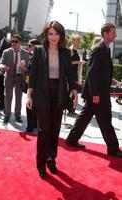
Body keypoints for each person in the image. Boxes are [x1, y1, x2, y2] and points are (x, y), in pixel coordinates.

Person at [27, 21, 78, 178]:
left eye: (56, 33)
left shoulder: (65, 53)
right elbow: (33, 74)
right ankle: (41, 162)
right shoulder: (39, 51)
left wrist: (74, 92)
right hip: (42, 93)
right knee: (44, 130)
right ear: (46, 35)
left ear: (61, 35)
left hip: (59, 93)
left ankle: (51, 160)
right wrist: (29, 94)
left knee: (55, 130)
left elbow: (70, 74)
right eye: (50, 33)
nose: (53, 37)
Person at [66, 23, 122, 158]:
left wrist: (112, 80)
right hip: (97, 94)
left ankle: (71, 140)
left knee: (85, 116)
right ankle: (113, 148)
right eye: (113, 32)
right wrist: (95, 94)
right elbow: (91, 73)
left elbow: (101, 71)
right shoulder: (98, 49)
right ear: (105, 33)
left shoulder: (106, 48)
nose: (115, 35)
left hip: (98, 92)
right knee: (106, 120)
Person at [0, 34, 29, 123]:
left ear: (19, 42)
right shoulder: (6, 52)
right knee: (8, 97)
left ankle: (17, 115)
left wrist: (24, 68)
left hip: (20, 77)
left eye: (15, 41)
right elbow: (1, 63)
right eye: (12, 41)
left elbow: (28, 68)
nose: (13, 43)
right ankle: (7, 114)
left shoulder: (25, 53)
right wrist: (2, 67)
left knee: (18, 97)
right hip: (9, 77)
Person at [67, 33, 85, 117]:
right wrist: (78, 62)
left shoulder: (75, 50)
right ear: (73, 40)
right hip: (70, 75)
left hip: (75, 74)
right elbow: (68, 63)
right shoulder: (70, 50)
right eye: (77, 40)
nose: (78, 42)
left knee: (73, 93)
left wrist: (80, 63)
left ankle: (71, 110)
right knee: (74, 93)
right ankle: (71, 110)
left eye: (79, 40)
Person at [25, 39, 39, 132]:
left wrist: (24, 68)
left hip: (34, 85)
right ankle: (34, 124)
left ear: (35, 46)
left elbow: (32, 72)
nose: (28, 47)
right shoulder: (33, 56)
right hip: (33, 84)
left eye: (30, 45)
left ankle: (30, 127)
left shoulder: (36, 57)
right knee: (33, 105)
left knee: (29, 105)